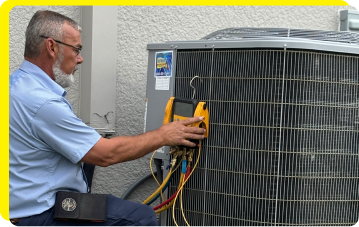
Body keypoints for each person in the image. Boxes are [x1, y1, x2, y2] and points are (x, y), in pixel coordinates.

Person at [9, 10, 205, 227]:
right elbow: (106, 154)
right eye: (77, 49)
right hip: (40, 213)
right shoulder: (43, 103)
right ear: (52, 47)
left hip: (18, 208)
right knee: (142, 218)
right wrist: (164, 135)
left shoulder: (13, 86)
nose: (80, 59)